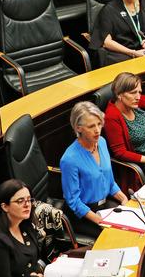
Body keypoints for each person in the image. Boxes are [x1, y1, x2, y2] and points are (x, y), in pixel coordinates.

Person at [60, 102, 129, 238]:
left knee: (131, 225)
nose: (97, 130)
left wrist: (123, 198)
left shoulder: (101, 142)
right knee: (116, 236)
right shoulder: (69, 159)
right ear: (78, 128)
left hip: (103, 206)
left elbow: (109, 181)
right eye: (91, 126)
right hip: (84, 214)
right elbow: (73, 201)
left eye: (99, 124)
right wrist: (100, 221)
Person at [0, 179, 44, 277]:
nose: (27, 205)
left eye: (29, 200)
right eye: (20, 201)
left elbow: (34, 261)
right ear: (5, 207)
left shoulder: (25, 224)